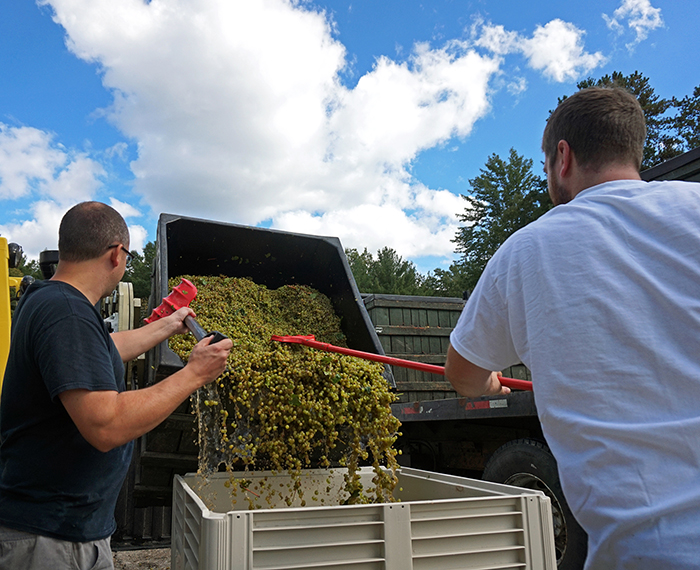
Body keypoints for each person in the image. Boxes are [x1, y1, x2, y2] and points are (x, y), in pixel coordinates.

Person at [444, 87, 700, 569]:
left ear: (563, 156)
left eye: (544, 166)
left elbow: (461, 374)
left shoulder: (526, 250)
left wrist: (489, 382)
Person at [0, 202, 232, 569]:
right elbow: (106, 425)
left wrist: (170, 324)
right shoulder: (67, 312)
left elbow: (105, 349)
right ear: (115, 254)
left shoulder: (52, 301)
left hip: (63, 530)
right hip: (49, 539)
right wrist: (195, 374)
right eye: (127, 256)